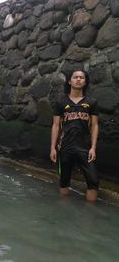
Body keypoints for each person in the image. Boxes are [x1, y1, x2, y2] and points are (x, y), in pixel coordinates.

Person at [50, 70, 99, 202]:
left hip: (85, 147)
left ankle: (91, 216)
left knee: (93, 180)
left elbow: (94, 126)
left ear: (85, 82)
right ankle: (64, 210)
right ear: (69, 81)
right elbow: (55, 125)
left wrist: (93, 147)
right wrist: (53, 148)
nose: (78, 79)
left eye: (81, 78)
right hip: (65, 146)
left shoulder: (91, 102)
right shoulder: (61, 102)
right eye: (75, 77)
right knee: (64, 180)